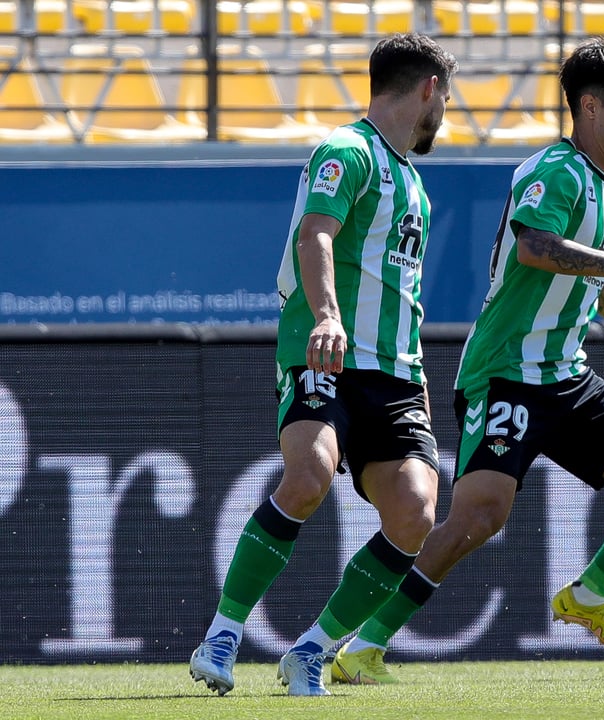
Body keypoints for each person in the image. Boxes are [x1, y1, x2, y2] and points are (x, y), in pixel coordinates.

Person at [327, 37, 604, 685]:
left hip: (566, 376)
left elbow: (571, 264)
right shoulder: (554, 169)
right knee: (478, 517)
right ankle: (364, 645)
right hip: (505, 373)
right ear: (589, 107)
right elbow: (535, 247)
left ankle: (591, 594)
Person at [188, 33, 458, 697]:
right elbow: (315, 235)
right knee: (308, 475)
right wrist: (330, 316)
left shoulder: (413, 183)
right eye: (446, 98)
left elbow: (402, 292)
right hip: (325, 351)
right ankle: (223, 632)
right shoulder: (347, 150)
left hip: (395, 373)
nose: (445, 112)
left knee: (415, 513)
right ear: (429, 89)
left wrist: (419, 374)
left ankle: (310, 650)